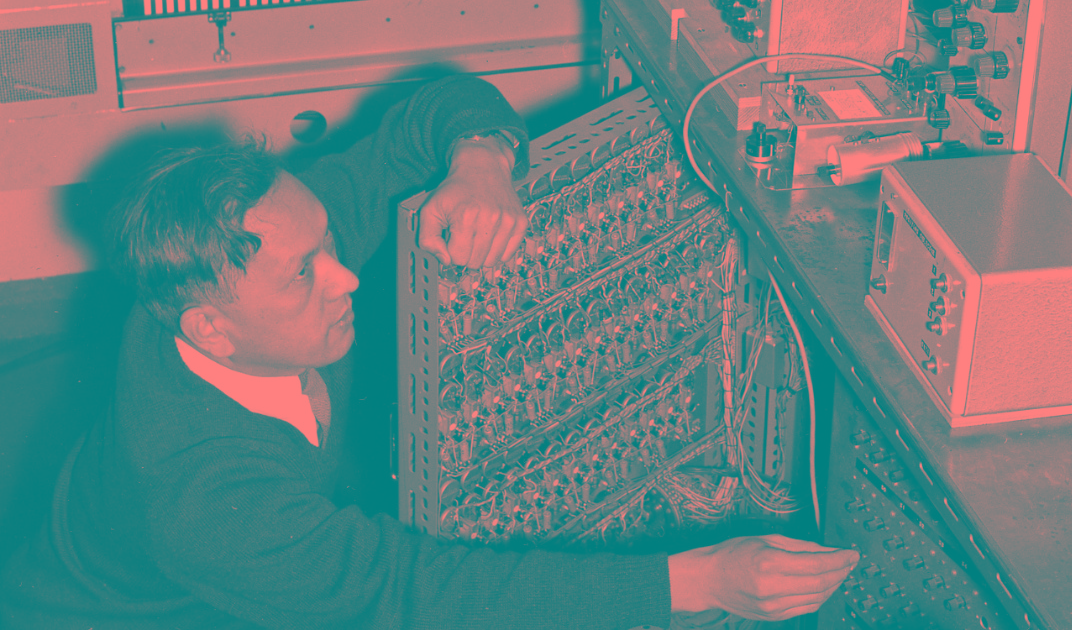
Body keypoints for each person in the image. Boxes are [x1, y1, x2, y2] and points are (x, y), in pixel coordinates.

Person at [1, 74, 858, 629]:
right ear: (210, 332)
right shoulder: (203, 501)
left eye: (327, 240)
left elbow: (430, 112)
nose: (345, 275)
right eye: (305, 275)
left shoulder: (256, 250)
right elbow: (411, 590)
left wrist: (480, 155)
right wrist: (694, 583)